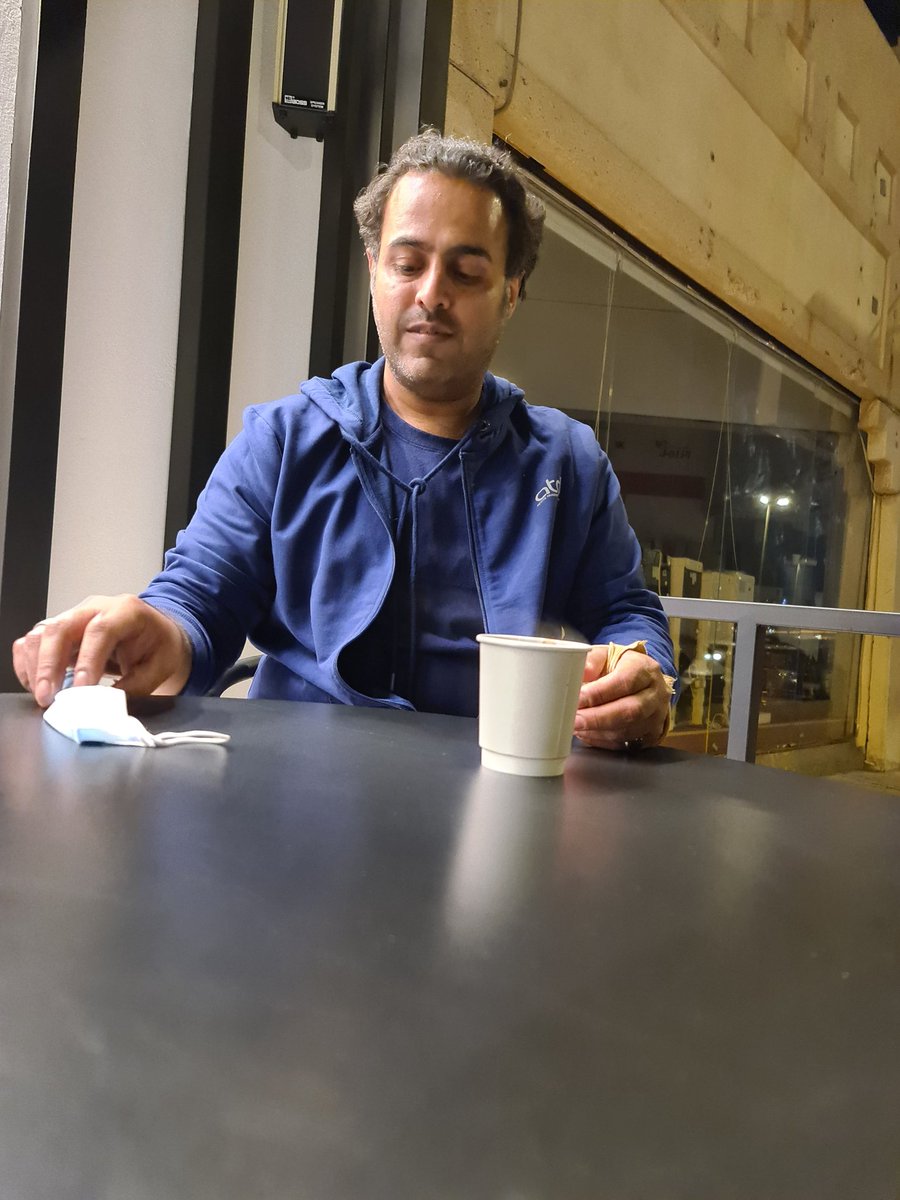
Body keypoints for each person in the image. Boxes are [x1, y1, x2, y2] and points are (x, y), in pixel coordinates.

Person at [12, 130, 676, 751]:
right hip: (297, 795)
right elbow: (198, 596)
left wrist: (639, 674)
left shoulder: (568, 463)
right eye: (407, 264)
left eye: (467, 273)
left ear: (510, 292)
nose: (431, 294)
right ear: (373, 270)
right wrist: (160, 632)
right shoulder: (283, 442)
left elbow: (626, 613)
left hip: (499, 786)